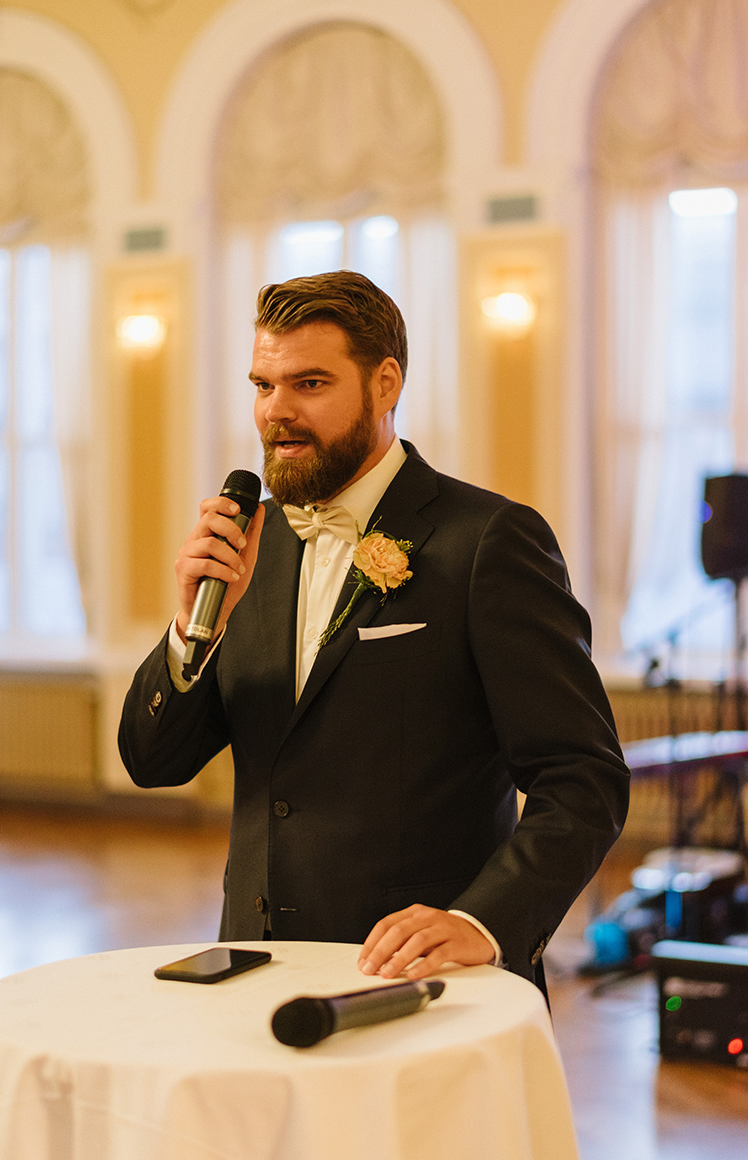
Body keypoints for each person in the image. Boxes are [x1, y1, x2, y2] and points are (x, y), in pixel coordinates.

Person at [119, 270, 629, 995]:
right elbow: (152, 763)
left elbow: (583, 778)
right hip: (255, 969)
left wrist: (484, 921)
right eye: (263, 385)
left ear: (385, 384)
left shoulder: (488, 540)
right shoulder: (249, 546)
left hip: (425, 980)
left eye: (310, 384)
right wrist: (190, 628)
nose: (276, 411)